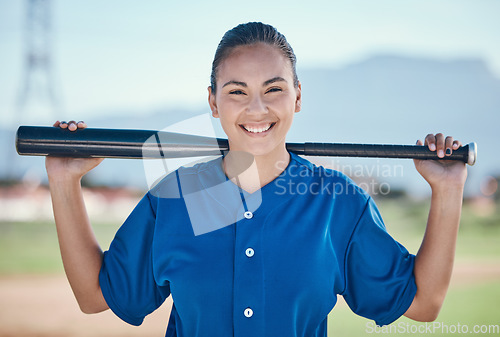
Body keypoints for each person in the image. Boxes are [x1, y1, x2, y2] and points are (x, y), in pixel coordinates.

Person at [45, 22, 468, 337]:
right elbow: (95, 296)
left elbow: (423, 304)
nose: (257, 108)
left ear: (298, 96)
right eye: (236, 91)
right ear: (213, 101)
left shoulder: (337, 203)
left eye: (273, 89)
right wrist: (65, 182)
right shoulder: (177, 198)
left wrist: (448, 190)